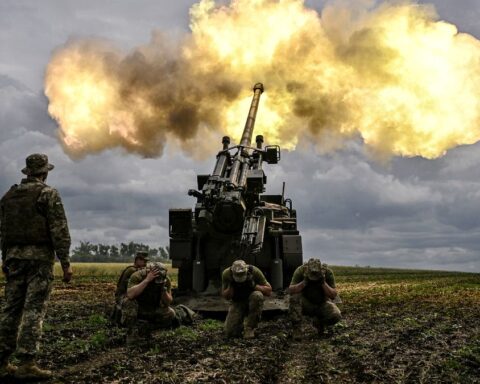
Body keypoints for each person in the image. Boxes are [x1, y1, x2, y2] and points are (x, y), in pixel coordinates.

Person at [0, 154, 73, 380]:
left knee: (10, 310)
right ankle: (26, 363)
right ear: (45, 172)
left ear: (27, 172)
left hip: (13, 258)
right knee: (33, 309)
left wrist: (5, 259)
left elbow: (4, 232)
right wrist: (66, 264)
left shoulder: (8, 196)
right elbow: (59, 231)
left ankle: (2, 362)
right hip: (38, 260)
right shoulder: (48, 194)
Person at [121, 262, 195, 345]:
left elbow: (168, 302)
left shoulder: (165, 280)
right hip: (138, 307)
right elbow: (130, 295)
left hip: (153, 307)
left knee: (171, 313)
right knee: (128, 302)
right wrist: (147, 281)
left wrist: (163, 290)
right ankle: (131, 333)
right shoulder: (138, 276)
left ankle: (149, 328)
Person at [288, 258, 341, 339]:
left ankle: (320, 323)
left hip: (322, 303)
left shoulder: (327, 272)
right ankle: (297, 329)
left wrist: (323, 282)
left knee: (336, 315)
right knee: (294, 298)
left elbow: (333, 295)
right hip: (306, 303)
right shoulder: (301, 270)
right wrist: (304, 282)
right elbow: (291, 290)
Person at [221, 259, 272, 339]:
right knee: (230, 332)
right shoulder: (227, 274)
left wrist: (254, 285)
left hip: (252, 298)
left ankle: (250, 328)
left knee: (257, 296)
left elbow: (269, 291)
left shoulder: (254, 271)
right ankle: (239, 325)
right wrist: (231, 285)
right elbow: (226, 297)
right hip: (237, 301)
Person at [111, 250, 149, 324]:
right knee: (131, 303)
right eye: (143, 260)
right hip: (122, 295)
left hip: (129, 293)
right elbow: (128, 289)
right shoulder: (132, 270)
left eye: (146, 261)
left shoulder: (138, 270)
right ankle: (127, 323)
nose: (145, 263)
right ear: (137, 260)